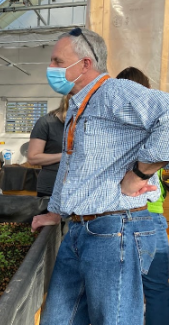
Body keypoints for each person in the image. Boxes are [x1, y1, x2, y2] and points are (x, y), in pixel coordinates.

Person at [32, 28, 169, 325]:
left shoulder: (114, 92)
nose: (51, 68)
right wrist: (55, 213)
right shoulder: (78, 106)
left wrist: (139, 172)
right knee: (57, 319)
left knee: (113, 319)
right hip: (80, 230)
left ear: (84, 63)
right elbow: (72, 167)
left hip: (114, 227)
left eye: (58, 61)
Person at [116, 66, 169, 325]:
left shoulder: (111, 124)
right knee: (156, 287)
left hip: (114, 213)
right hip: (151, 213)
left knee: (120, 287)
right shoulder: (156, 121)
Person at [27, 96, 69, 197]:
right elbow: (33, 158)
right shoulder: (46, 123)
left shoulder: (83, 122)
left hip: (79, 186)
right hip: (51, 186)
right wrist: (66, 156)